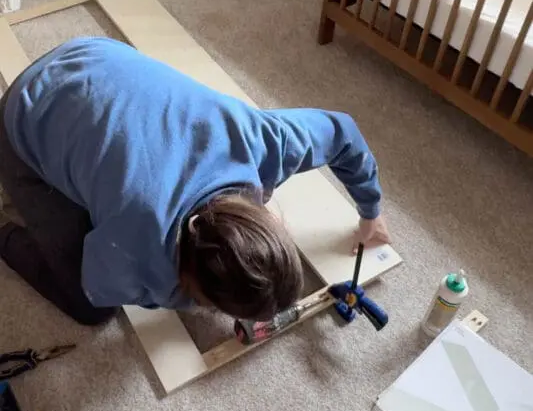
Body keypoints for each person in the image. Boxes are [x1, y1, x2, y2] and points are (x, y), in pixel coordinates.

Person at [0, 37, 390, 327]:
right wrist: (190, 301)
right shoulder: (138, 245)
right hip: (25, 113)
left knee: (103, 190)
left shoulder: (262, 141)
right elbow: (97, 283)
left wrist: (370, 212)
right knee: (92, 310)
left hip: (95, 54)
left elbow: (342, 134)